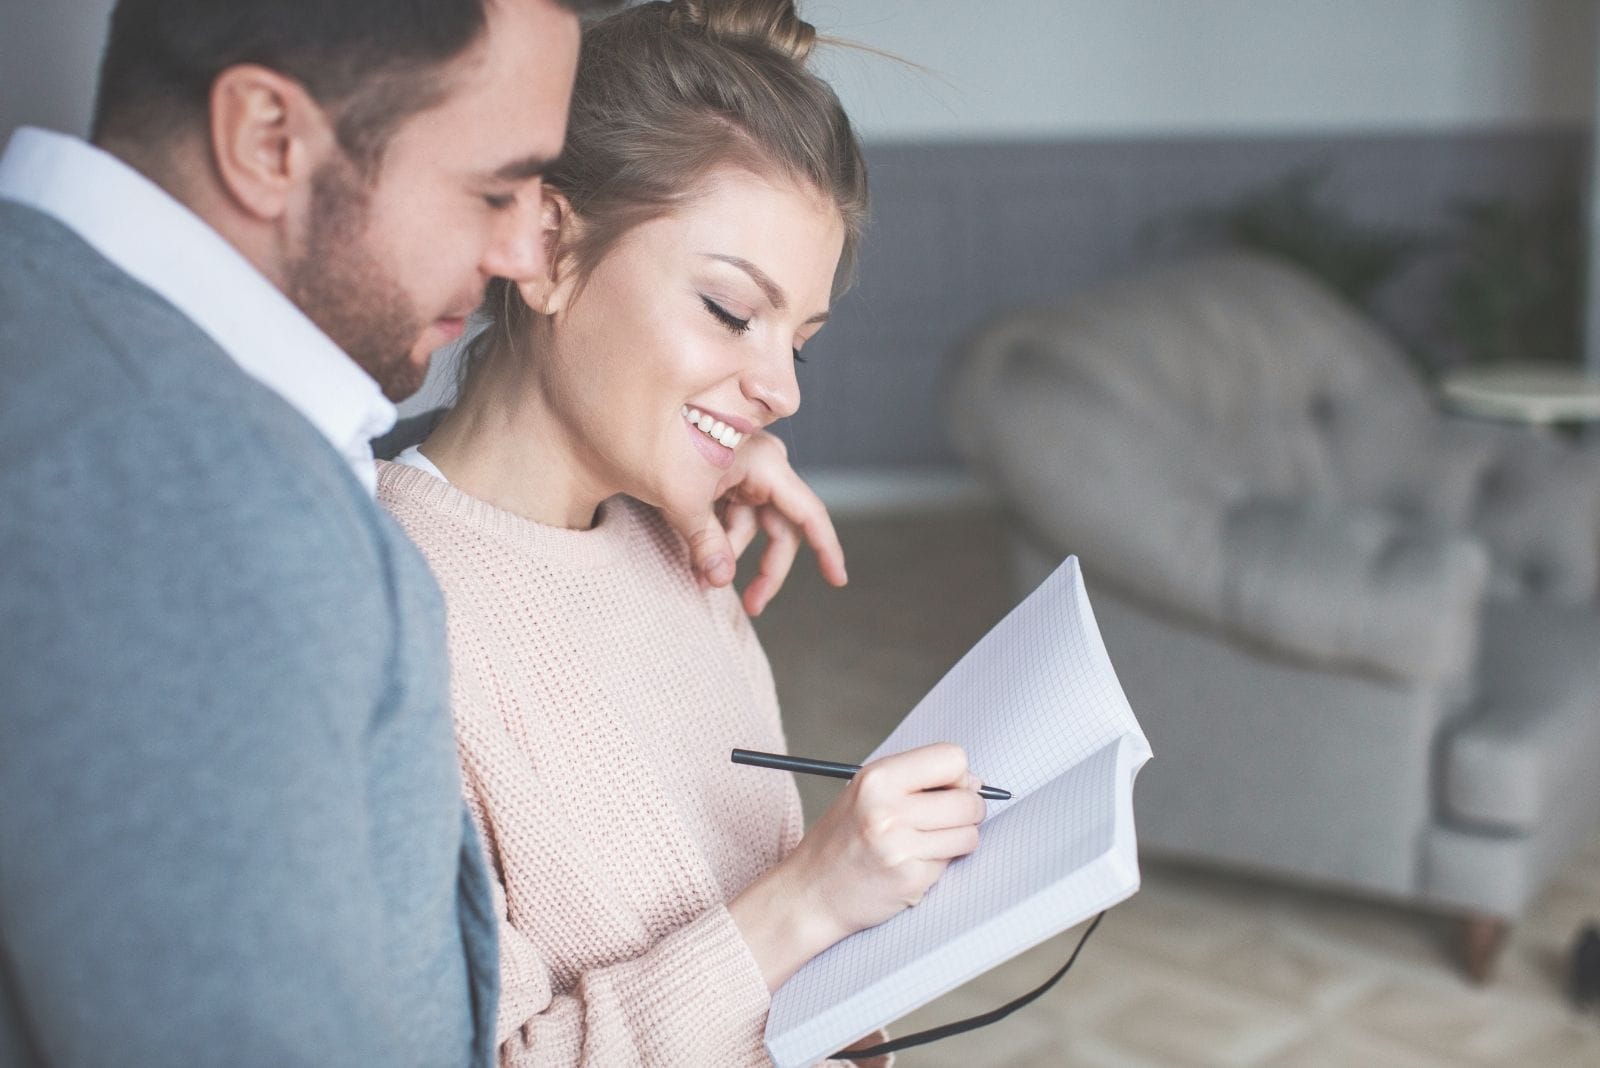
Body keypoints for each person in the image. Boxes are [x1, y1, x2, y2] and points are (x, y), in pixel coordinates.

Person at [0, 0, 838, 1063]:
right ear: (266, 137)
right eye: (493, 190)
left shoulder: (99, 357)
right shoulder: (182, 497)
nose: (516, 248)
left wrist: (675, 445)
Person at [375, 2, 986, 1063]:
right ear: (550, 248)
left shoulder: (678, 545)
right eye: (727, 309)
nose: (784, 391)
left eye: (801, 340)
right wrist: (810, 901)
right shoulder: (388, 620)